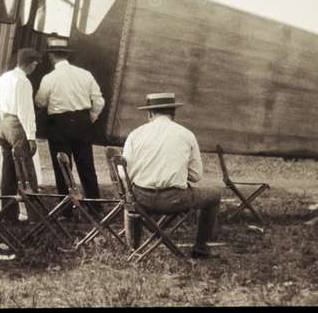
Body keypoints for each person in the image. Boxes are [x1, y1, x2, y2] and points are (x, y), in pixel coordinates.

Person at [122, 92, 221, 259]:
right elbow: (196, 176)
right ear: (173, 113)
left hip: (141, 200)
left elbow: (124, 175)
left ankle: (134, 248)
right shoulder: (186, 134)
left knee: (129, 198)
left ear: (150, 113)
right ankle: (201, 247)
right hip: (175, 201)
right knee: (214, 195)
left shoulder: (135, 134)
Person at [35, 39, 105, 200]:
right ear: (67, 55)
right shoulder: (85, 74)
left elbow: (40, 102)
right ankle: (94, 205)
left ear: (51, 56)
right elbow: (99, 101)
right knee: (87, 165)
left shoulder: (49, 78)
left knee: (62, 167)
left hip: (59, 124)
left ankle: (66, 209)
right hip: (82, 122)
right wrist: (90, 118)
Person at [0, 48, 42, 218]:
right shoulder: (23, 82)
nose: (35, 68)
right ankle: (35, 214)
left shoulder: (6, 77)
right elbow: (25, 111)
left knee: (8, 169)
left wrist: (0, 103)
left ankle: (8, 213)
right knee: (25, 170)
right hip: (16, 124)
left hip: (4, 123)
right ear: (30, 64)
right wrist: (31, 136)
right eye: (35, 64)